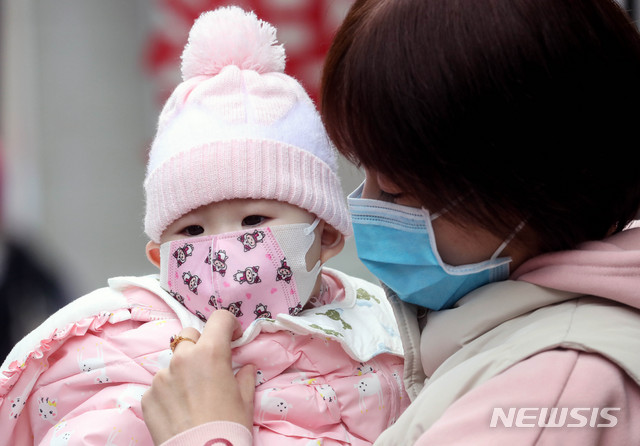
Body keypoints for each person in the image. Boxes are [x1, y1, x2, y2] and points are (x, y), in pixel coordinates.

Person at [140, 0, 640, 444]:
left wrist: (205, 434)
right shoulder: (495, 339)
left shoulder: (548, 395)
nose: (366, 205)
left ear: (526, 184)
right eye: (364, 171)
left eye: (396, 188)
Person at [0, 7, 410, 445]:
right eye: (192, 231)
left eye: (254, 220)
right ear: (160, 258)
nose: (222, 248)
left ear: (326, 235)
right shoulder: (116, 357)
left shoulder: (381, 334)